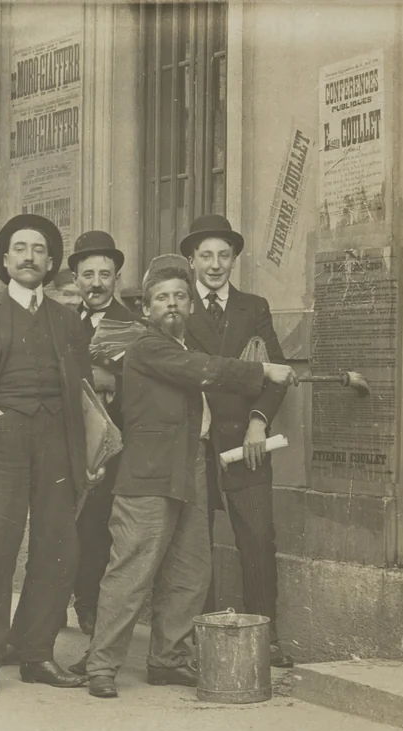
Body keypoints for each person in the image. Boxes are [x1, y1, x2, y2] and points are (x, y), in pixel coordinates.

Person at [84, 257, 297, 699]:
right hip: (148, 473)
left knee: (191, 571)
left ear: (190, 304)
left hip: (191, 468)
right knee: (131, 571)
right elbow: (203, 370)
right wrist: (262, 371)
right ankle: (101, 665)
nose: (173, 305)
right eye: (162, 298)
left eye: (181, 296)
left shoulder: (180, 348)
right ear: (147, 307)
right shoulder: (147, 346)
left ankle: (168, 659)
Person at [0, 213, 99, 698]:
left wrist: (92, 448)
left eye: (38, 250)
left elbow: (83, 391)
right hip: (1, 441)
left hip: (56, 442)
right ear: (5, 261)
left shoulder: (67, 320)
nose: (29, 257)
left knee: (58, 549)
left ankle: (37, 654)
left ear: (50, 264)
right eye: (20, 249)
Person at [180, 214, 294, 668]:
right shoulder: (180, 305)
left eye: (223, 255)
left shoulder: (254, 307)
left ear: (234, 259)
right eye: (205, 256)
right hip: (199, 447)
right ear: (191, 261)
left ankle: (266, 640)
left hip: (247, 447)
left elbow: (278, 374)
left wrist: (258, 422)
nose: (215, 264)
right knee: (195, 543)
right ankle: (201, 641)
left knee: (258, 539)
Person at [66, 230, 142, 650]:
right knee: (68, 523)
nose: (96, 283)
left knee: (99, 527)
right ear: (76, 279)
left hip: (117, 445)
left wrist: (115, 381)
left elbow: (149, 385)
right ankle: (68, 595)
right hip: (71, 441)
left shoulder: (133, 325)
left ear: (117, 278)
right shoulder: (63, 321)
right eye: (87, 274)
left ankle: (92, 605)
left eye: (104, 275)